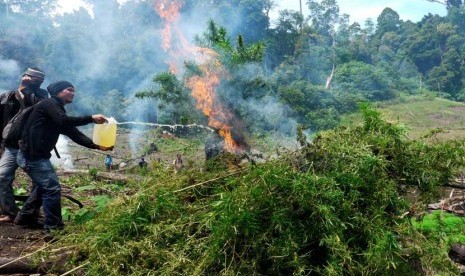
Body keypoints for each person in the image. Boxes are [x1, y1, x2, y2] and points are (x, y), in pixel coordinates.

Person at [14, 81, 113, 231]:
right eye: (69, 90)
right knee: (52, 189)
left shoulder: (56, 111)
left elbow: (73, 133)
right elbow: (64, 121)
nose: (73, 93)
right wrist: (91, 118)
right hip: (32, 156)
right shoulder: (49, 104)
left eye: (74, 90)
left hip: (35, 156)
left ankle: (25, 218)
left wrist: (96, 145)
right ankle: (53, 228)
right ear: (58, 91)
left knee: (44, 187)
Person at [0, 67, 48, 223]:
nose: (36, 81)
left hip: (31, 147)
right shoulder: (7, 96)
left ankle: (31, 212)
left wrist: (26, 90)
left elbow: (31, 107)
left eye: (38, 79)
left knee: (40, 180)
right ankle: (10, 212)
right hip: (12, 145)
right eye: (32, 78)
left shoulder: (42, 96)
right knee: (2, 177)